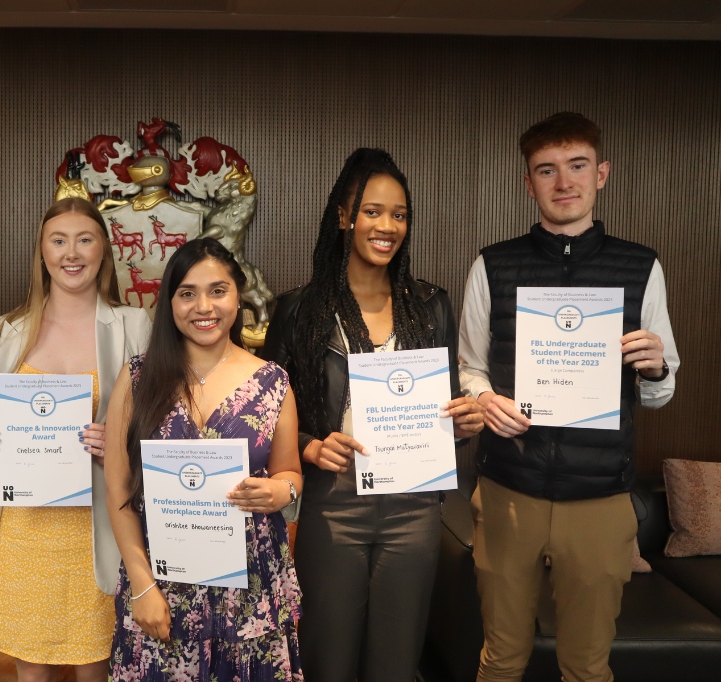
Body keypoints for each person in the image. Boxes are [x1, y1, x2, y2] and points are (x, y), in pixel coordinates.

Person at [458, 112, 680, 682]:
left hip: (601, 501)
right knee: (501, 659)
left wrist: (655, 368)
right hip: (510, 491)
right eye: (547, 170)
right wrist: (484, 403)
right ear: (528, 182)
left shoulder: (640, 266)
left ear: (601, 173)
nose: (564, 183)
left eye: (577, 166)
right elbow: (471, 370)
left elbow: (660, 391)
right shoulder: (493, 264)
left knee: (586, 666)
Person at [261, 147, 486, 682]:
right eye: (373, 211)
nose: (387, 226)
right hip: (333, 506)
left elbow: (444, 413)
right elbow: (265, 415)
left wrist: (462, 422)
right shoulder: (299, 310)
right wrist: (312, 447)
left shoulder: (431, 305)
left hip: (413, 510)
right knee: (328, 657)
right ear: (344, 216)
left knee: (395, 661)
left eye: (399, 214)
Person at [0, 197, 151, 682]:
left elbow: (158, 425)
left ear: (104, 251)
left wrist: (119, 442)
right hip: (23, 527)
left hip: (98, 525)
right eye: (59, 240)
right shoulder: (5, 331)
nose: (72, 253)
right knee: (32, 673)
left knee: (95, 670)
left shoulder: (134, 326)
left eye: (85, 239)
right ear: (42, 251)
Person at [103, 238, 304, 681]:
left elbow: (291, 473)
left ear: (238, 295)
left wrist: (279, 490)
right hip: (164, 589)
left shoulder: (273, 382)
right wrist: (141, 586)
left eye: (217, 290)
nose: (203, 306)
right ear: (170, 301)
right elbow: (117, 491)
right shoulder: (138, 378)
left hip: (251, 592)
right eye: (187, 293)